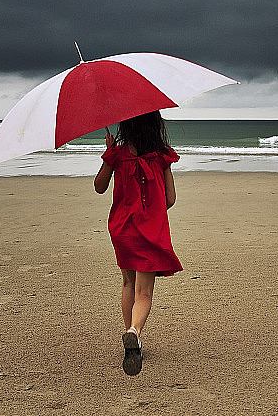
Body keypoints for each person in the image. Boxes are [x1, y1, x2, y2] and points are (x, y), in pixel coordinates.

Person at [94, 110, 182, 376]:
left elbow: (99, 187)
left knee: (128, 283)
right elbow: (170, 199)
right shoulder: (161, 156)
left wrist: (109, 154)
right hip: (150, 230)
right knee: (144, 292)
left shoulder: (117, 155)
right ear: (155, 125)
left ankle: (132, 341)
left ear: (126, 126)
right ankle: (135, 331)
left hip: (122, 229)